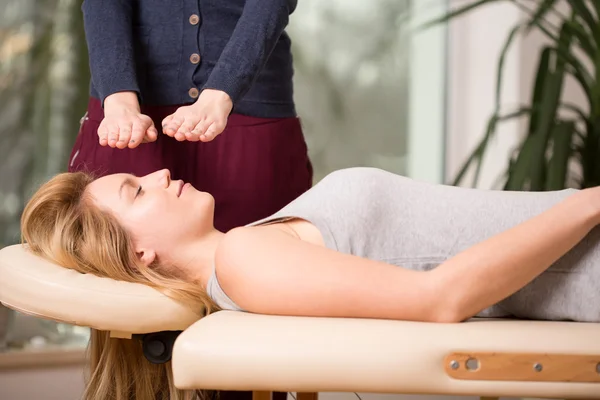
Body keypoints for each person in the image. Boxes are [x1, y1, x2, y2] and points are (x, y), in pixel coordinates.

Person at [20, 167, 600, 399]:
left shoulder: (252, 250)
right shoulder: (244, 262)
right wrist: (588, 204)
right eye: (137, 191)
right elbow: (440, 299)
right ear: (140, 252)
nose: (161, 173)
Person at [68, 0, 313, 233]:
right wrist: (118, 98)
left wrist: (223, 90)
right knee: (105, 263)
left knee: (267, 261)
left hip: (250, 113)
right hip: (125, 118)